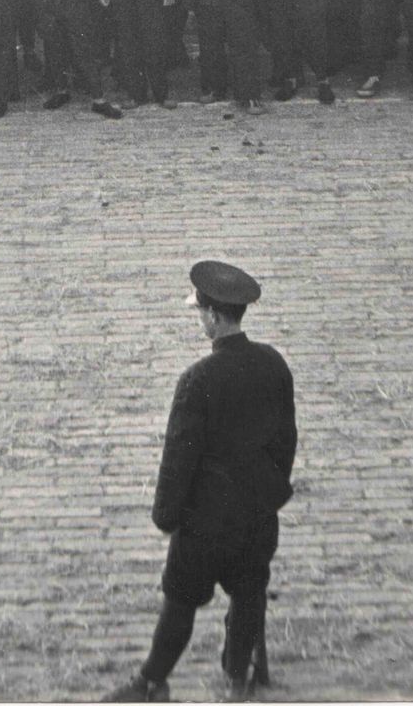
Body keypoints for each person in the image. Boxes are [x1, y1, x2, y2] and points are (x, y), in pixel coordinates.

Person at [105, 260, 295, 706]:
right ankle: (237, 676)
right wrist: (270, 491)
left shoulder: (198, 380)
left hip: (204, 522)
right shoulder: (274, 364)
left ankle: (152, 682)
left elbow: (179, 459)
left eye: (200, 312)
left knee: (180, 602)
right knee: (249, 594)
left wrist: (166, 516)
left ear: (211, 316)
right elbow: (286, 439)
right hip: (256, 515)